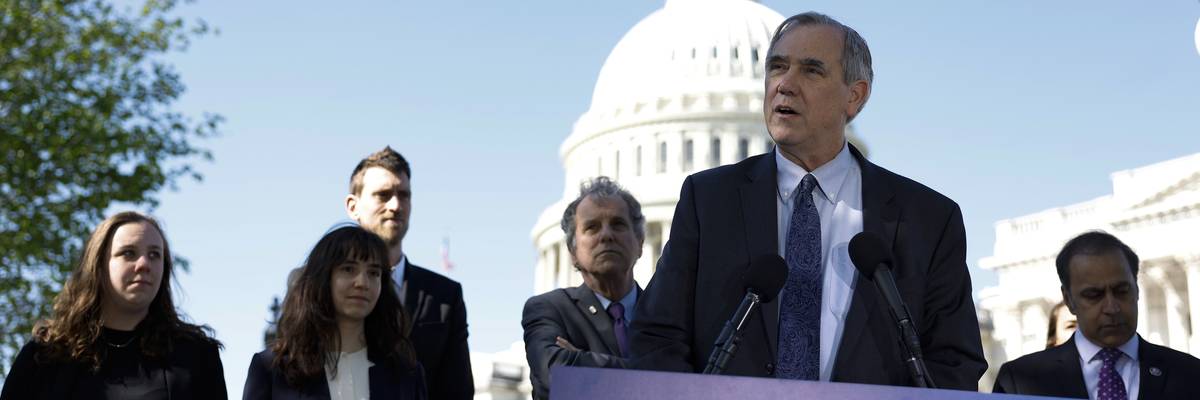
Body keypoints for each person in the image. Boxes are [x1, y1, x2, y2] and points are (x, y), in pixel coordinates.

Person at [628, 11, 986, 390]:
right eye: (776, 67)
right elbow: (656, 337)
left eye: (811, 70)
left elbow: (953, 362)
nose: (784, 84)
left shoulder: (928, 219)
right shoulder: (708, 201)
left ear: (855, 95)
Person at [0, 211, 226, 399]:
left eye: (155, 255)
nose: (144, 264)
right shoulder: (45, 355)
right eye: (129, 253)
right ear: (97, 266)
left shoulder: (196, 356)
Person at [993, 231, 1200, 399]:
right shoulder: (1019, 381)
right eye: (1094, 295)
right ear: (1069, 300)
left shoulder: (1190, 374)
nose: (1111, 307)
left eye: (1121, 291)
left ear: (1137, 289)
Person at [344, 146, 473, 399]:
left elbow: (458, 392)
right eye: (383, 195)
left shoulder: (446, 296)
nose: (395, 205)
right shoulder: (317, 285)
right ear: (353, 206)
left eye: (404, 195)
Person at [243, 225, 426, 399]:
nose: (362, 282)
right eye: (348, 269)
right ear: (323, 278)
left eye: (373, 273)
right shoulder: (271, 369)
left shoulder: (407, 375)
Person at [522, 177, 645, 400]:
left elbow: (701, 382)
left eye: (618, 224)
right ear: (572, 252)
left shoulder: (669, 315)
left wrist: (581, 363)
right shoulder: (549, 309)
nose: (606, 235)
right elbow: (555, 374)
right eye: (592, 227)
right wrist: (657, 377)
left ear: (640, 243)